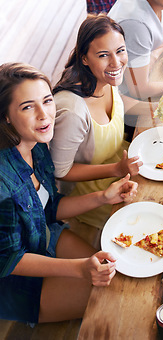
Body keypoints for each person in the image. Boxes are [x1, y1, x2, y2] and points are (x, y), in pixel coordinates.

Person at [0, 62, 138, 323]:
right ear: (6, 115)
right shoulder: (2, 181)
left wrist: (104, 197)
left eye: (47, 101)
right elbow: (8, 259)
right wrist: (80, 268)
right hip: (14, 279)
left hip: (45, 235)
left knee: (116, 270)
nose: (45, 115)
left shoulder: (37, 145)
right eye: (28, 106)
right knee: (111, 298)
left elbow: (49, 209)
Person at [50, 15, 143, 229]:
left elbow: (119, 104)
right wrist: (116, 169)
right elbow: (60, 171)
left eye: (120, 50)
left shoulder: (104, 78)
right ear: (84, 58)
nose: (116, 62)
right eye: (103, 55)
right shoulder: (72, 111)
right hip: (92, 197)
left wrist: (161, 109)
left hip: (124, 168)